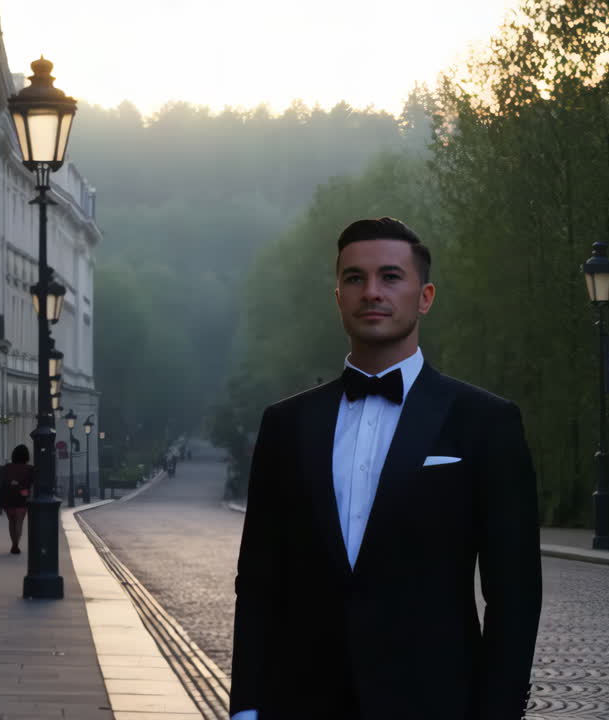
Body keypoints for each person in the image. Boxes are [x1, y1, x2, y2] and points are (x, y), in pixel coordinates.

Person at [230, 217, 542, 720]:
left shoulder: (486, 422)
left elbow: (515, 593)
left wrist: (498, 711)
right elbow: (260, 580)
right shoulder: (286, 424)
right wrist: (246, 706)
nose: (371, 291)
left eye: (391, 277)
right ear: (338, 296)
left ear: (425, 296)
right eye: (355, 278)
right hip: (302, 703)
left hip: (436, 702)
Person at [0, 444, 35, 555]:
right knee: (19, 521)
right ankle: (16, 544)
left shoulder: (6, 468)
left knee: (11, 521)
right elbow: (33, 483)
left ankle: (13, 542)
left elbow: (1, 481)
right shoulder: (30, 469)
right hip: (22, 497)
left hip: (8, 498)